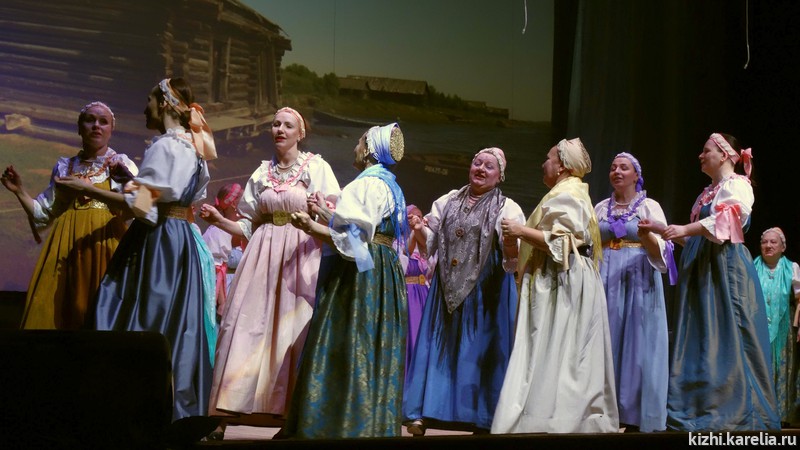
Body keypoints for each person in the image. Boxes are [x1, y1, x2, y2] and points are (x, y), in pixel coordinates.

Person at [202, 107, 340, 437]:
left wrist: (319, 211)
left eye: (287, 125)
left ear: (300, 133)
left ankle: (291, 418)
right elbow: (249, 225)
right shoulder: (262, 172)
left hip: (300, 256)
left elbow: (332, 216)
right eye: (276, 124)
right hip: (262, 257)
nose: (279, 129)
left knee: (293, 333)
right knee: (242, 328)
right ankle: (223, 415)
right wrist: (220, 221)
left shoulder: (316, 168)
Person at [92, 77, 217, 421]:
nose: (144, 108)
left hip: (158, 238)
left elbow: (146, 206)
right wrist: (128, 179)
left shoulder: (166, 145)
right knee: (178, 321)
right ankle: (173, 401)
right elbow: (178, 195)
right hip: (180, 239)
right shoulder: (193, 146)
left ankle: (136, 404)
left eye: (149, 100)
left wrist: (95, 190)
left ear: (163, 103)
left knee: (143, 314)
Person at [639, 132, 779, 430]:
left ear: (725, 155)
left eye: (706, 150)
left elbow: (728, 223)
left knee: (726, 336)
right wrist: (664, 229)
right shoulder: (707, 193)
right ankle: (699, 410)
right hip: (702, 268)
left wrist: (684, 229)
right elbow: (697, 237)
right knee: (701, 339)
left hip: (724, 268)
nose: (700, 156)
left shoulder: (737, 185)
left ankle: (734, 413)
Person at [282, 122, 408, 438]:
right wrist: (327, 214)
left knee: (348, 342)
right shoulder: (389, 185)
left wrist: (311, 227)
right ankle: (373, 424)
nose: (355, 147)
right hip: (383, 270)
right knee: (373, 343)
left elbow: (356, 244)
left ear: (368, 150)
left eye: (359, 142)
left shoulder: (363, 185)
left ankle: (337, 425)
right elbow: (365, 229)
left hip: (361, 274)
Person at [491, 138, 619, 434]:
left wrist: (521, 230)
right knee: (561, 347)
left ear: (561, 166)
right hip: (562, 275)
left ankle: (554, 418)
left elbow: (564, 243)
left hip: (563, 278)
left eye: (548, 159)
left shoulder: (568, 194)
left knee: (560, 346)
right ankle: (552, 414)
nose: (543, 164)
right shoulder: (569, 192)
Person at [403, 147, 525, 435]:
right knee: (438, 345)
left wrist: (510, 243)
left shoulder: (507, 208)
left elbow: (513, 257)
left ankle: (481, 416)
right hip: (446, 283)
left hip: (486, 286)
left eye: (488, 167)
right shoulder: (448, 200)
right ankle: (425, 412)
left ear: (500, 176)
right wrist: (419, 228)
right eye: (477, 163)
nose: (480, 169)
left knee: (478, 348)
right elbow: (430, 242)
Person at [1, 101, 137, 330]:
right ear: (79, 127)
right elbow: (44, 212)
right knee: (60, 308)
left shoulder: (120, 164)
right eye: (90, 120)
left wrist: (116, 185)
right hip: (66, 243)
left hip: (103, 240)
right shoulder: (65, 166)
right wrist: (20, 191)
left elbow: (136, 206)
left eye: (103, 122)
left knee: (98, 309)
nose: (96, 126)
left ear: (111, 130)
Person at [593, 152, 674, 432]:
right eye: (613, 167)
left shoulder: (649, 206)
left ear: (636, 175)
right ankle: (602, 410)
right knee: (605, 339)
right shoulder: (600, 207)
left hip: (638, 277)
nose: (617, 171)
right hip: (605, 277)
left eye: (624, 168)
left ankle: (634, 414)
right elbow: (590, 244)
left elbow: (665, 249)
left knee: (637, 343)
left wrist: (646, 236)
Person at [753, 227, 800, 425]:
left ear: (783, 247)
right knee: (759, 368)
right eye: (764, 242)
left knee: (783, 368)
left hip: (784, 329)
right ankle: (759, 415)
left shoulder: (792, 268)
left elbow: (799, 299)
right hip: (757, 329)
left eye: (773, 242)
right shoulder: (752, 267)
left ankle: (782, 416)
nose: (768, 245)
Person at [399, 204, 434, 388]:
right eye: (411, 217)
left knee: (424, 339)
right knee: (409, 338)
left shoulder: (426, 245)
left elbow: (433, 265)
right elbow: (403, 257)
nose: (416, 219)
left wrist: (421, 232)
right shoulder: (399, 243)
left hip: (424, 295)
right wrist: (414, 233)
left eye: (419, 216)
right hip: (408, 295)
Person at [200, 182, 244, 319]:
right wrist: (222, 302)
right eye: (244, 199)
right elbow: (216, 268)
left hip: (240, 288)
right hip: (227, 290)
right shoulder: (218, 232)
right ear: (234, 204)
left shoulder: (243, 228)